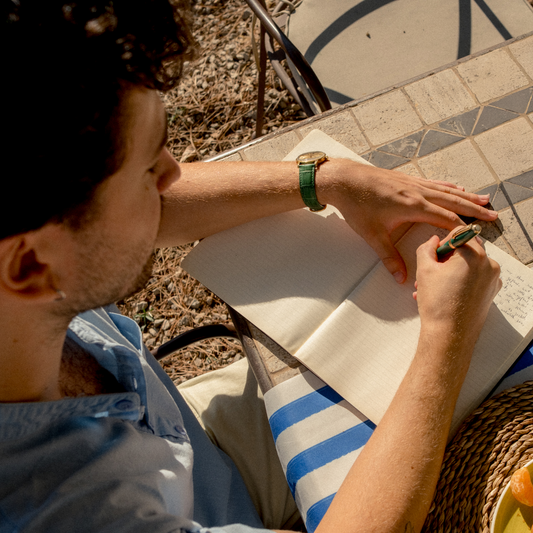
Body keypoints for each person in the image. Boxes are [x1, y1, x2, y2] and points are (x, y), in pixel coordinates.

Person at [0, 1, 502, 532]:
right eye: (147, 172)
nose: (176, 175)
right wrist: (447, 337)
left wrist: (326, 180)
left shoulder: (23, 247)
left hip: (191, 445)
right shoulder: (66, 512)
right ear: (31, 266)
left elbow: (141, 209)